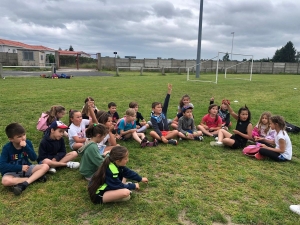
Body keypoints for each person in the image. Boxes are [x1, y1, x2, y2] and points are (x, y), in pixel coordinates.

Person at [0, 123, 49, 196]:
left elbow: (34, 158)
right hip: (12, 172)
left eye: (24, 134)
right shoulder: (7, 148)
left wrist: (26, 147)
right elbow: (2, 165)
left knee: (45, 166)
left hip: (27, 168)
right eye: (19, 136)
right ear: (11, 139)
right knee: (5, 181)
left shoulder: (27, 143)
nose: (23, 138)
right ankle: (35, 178)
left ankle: (25, 183)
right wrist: (20, 167)